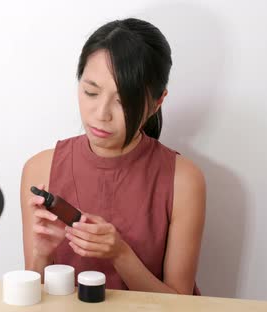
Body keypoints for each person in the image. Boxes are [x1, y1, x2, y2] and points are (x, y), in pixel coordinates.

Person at [20, 18, 206, 295]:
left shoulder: (183, 179)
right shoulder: (40, 168)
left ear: (157, 102)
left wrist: (120, 254)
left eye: (123, 101)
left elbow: (181, 303)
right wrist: (42, 254)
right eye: (91, 92)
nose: (101, 114)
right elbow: (34, 295)